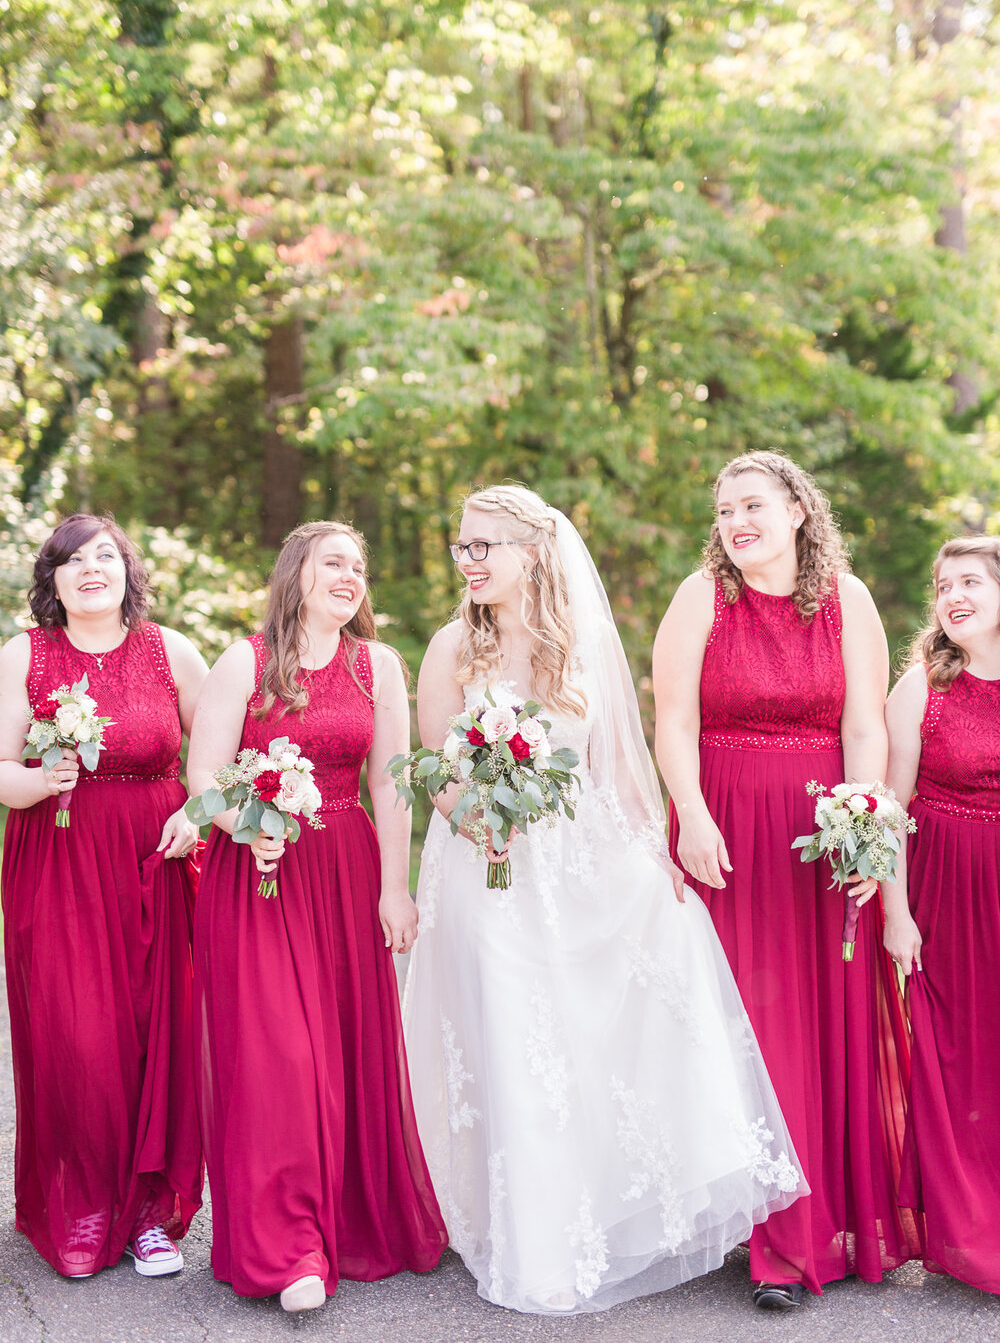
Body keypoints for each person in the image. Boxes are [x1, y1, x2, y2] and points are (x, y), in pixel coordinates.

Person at [403, 484, 804, 1317]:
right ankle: (529, 1240)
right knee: (512, 1036)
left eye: (487, 547)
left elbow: (618, 766)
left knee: (577, 1028)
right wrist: (474, 820)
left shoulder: (580, 645)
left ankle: (597, 1210)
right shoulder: (451, 647)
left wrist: (657, 855)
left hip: (578, 858)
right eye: (463, 547)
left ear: (533, 552)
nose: (470, 562)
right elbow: (432, 760)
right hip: (484, 862)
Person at [653, 450, 921, 1309]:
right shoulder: (703, 597)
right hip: (722, 833)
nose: (737, 520)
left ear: (799, 510)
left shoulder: (849, 601)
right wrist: (690, 814)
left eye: (754, 503)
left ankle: (801, 1236)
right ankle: (745, 1222)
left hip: (819, 840)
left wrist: (863, 829)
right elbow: (673, 722)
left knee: (812, 1024)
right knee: (741, 1020)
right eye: (725, 507)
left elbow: (866, 732)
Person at [187, 521, 446, 1314]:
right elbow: (202, 780)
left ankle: (353, 1222)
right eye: (334, 562)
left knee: (344, 1048)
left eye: (359, 566)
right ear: (295, 571)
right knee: (278, 1060)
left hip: (345, 870)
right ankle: (287, 1247)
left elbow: (392, 785)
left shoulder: (380, 667)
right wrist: (249, 825)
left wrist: (393, 889)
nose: (350, 576)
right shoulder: (245, 663)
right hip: (261, 876)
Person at [0, 513, 207, 1279]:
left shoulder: (169, 650)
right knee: (77, 1039)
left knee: (157, 1035)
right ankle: (83, 1211)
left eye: (105, 556)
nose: (91, 568)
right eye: (71, 559)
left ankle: (152, 1218)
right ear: (50, 581)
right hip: (57, 863)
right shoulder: (25, 654)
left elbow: (219, 752)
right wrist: (36, 779)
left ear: (128, 570)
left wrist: (196, 811)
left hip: (153, 862)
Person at [882, 535, 1000, 1295]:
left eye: (970, 581)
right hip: (943, 893)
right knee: (955, 1063)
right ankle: (966, 1235)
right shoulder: (921, 685)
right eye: (942, 583)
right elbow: (888, 810)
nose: (951, 595)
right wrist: (897, 914)